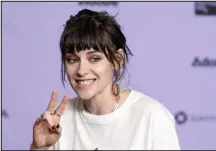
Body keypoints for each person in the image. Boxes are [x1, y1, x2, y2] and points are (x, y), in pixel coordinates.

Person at [30, 9, 181, 150]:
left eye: (94, 58)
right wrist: (39, 147)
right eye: (72, 60)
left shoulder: (152, 116)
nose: (81, 71)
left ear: (117, 60)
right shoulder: (58, 121)